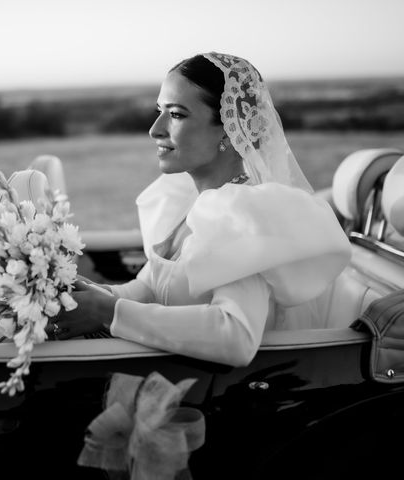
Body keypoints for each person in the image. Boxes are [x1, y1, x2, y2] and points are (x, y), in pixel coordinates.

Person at [48, 51, 351, 367]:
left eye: (176, 114)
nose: (155, 129)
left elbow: (235, 335)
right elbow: (149, 288)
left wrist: (109, 313)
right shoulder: (190, 202)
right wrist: (86, 294)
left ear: (227, 129)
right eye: (159, 111)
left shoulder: (242, 216)